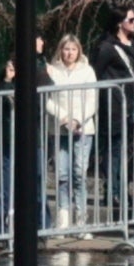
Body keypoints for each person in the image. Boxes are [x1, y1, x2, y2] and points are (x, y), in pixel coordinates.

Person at [40, 30, 100, 226]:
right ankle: (63, 216)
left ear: (79, 51)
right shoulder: (51, 70)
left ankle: (81, 217)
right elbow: (46, 98)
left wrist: (77, 119)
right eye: (66, 49)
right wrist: (63, 117)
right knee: (62, 174)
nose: (70, 53)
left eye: (73, 49)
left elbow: (92, 99)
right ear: (60, 50)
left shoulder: (87, 71)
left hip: (83, 128)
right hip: (59, 128)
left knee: (79, 173)